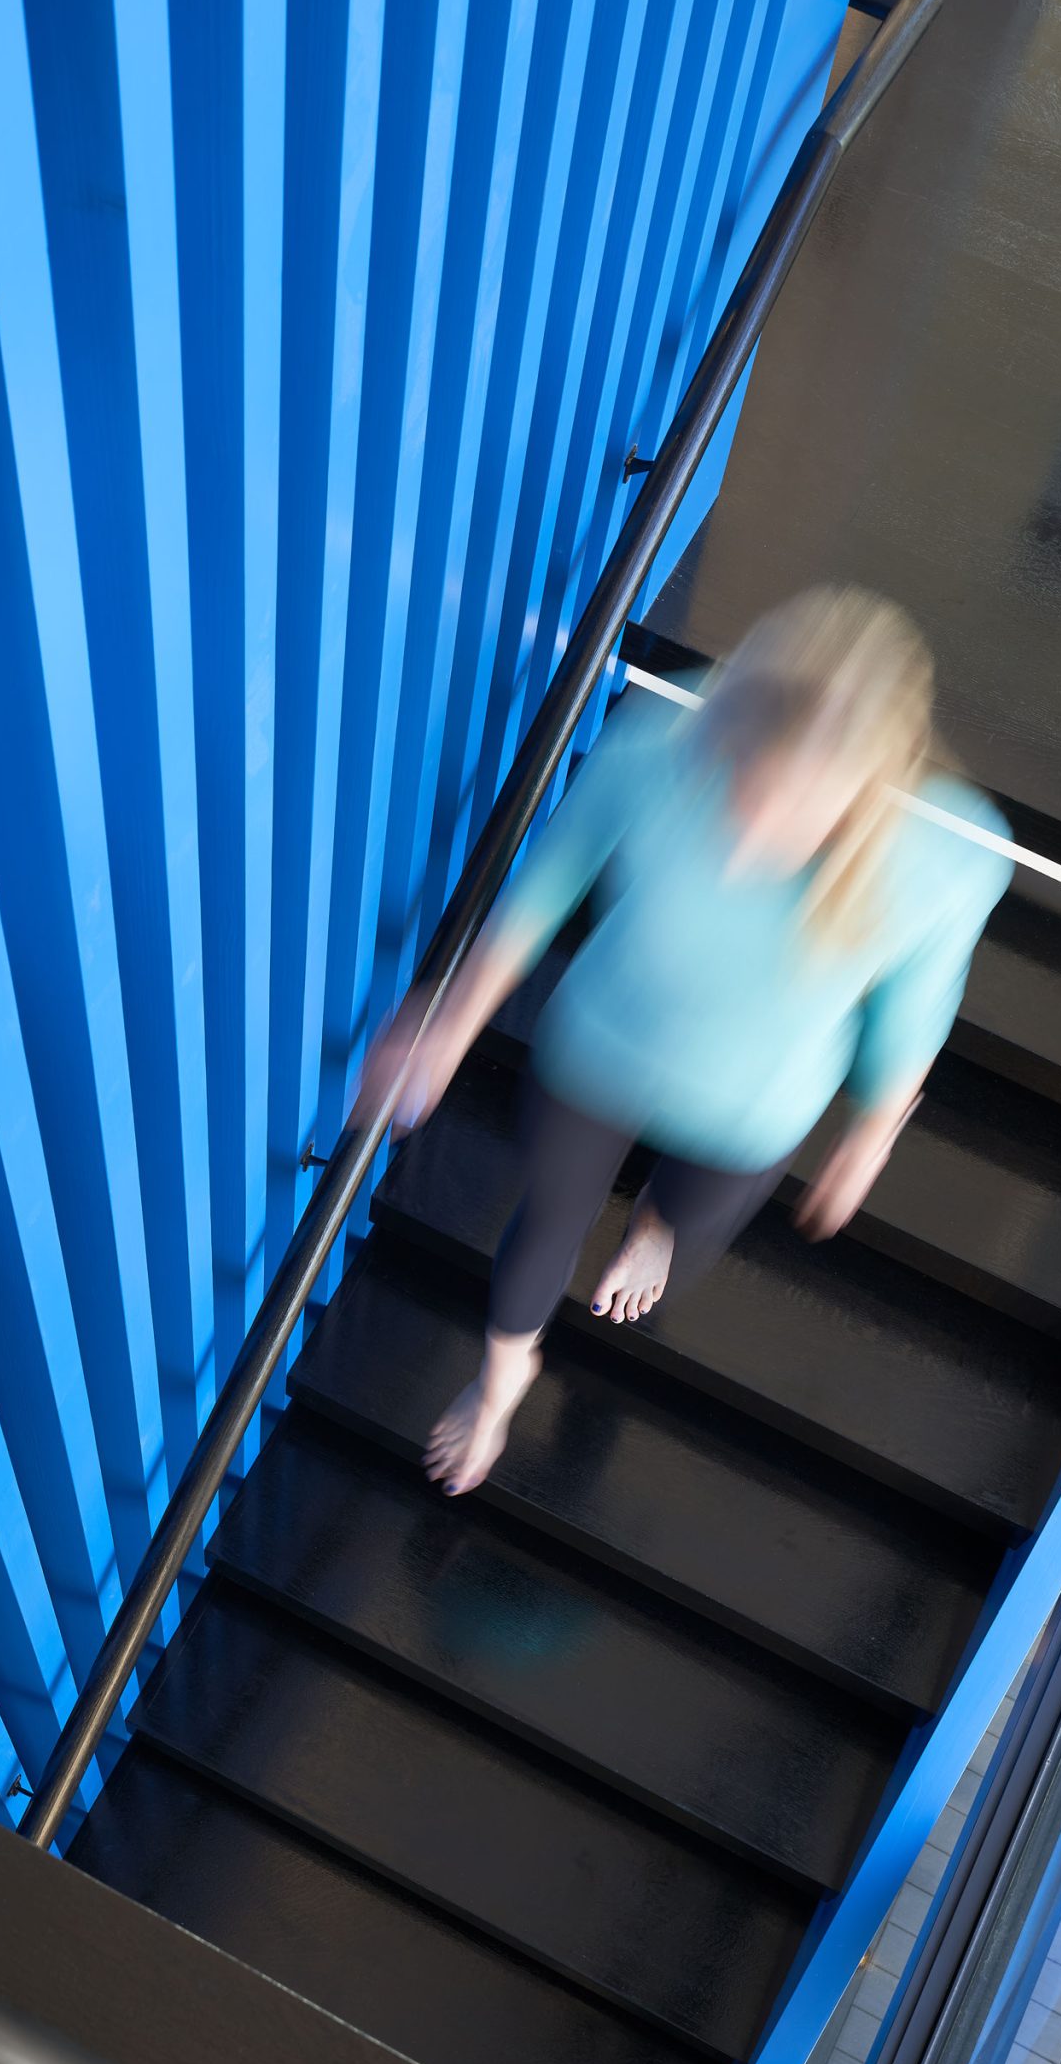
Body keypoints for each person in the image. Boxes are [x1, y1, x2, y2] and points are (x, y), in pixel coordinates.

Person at [359, 586, 1012, 1499]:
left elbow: (914, 1009)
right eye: (740, 774)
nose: (750, 825)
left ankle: (657, 1227)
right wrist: (448, 1025)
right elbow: (540, 892)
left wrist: (869, 1136)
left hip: (752, 1110)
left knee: (693, 1218)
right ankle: (502, 1384)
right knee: (544, 1222)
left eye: (792, 802)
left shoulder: (950, 859)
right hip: (597, 1053)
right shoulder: (653, 748)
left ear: (866, 780)